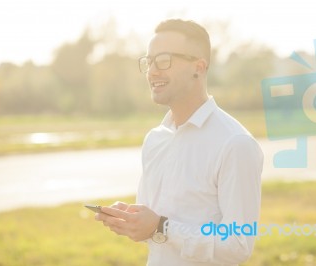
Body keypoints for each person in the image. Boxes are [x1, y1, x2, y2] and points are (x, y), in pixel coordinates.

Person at [95, 19, 264, 265]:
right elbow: (155, 231)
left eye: (163, 60)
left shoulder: (236, 144)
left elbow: (238, 246)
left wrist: (161, 227)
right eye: (148, 61)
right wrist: (132, 219)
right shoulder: (155, 139)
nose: (152, 71)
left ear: (199, 66)